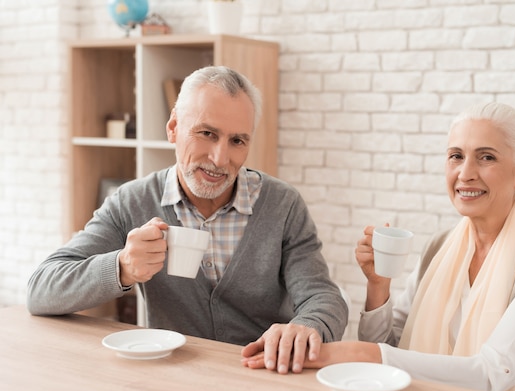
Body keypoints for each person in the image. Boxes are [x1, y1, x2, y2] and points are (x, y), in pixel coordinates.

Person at [242, 102, 515, 391]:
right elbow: (393, 345)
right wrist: (378, 286)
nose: (465, 173)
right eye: (456, 156)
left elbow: (491, 374)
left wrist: (360, 354)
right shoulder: (441, 248)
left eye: (487, 157)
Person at [28, 66, 348, 374]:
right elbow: (42, 289)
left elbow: (323, 298)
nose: (220, 159)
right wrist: (122, 265)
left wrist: (308, 327)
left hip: (261, 375)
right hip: (171, 378)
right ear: (173, 129)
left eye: (237, 140)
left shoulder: (283, 205)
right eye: (207, 133)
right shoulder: (131, 202)